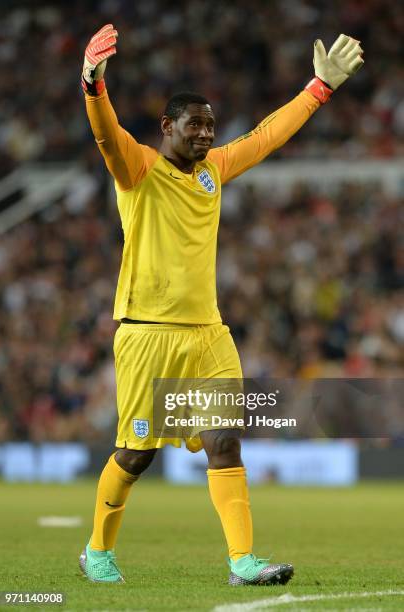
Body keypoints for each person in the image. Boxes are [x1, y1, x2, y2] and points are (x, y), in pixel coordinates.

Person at [79, 24, 364, 585]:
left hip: (208, 333)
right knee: (136, 455)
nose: (206, 134)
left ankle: (242, 562)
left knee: (225, 441)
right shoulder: (139, 171)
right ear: (168, 128)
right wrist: (94, 85)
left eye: (210, 125)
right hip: (146, 334)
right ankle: (97, 550)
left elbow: (265, 136)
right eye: (195, 125)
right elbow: (107, 136)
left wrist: (319, 88)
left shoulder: (214, 171)